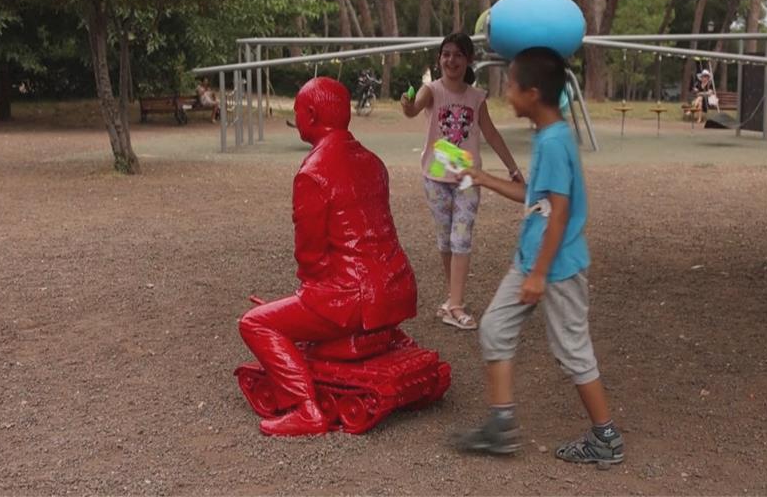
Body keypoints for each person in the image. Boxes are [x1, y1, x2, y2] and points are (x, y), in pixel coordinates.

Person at [453, 47, 624, 465]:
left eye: (510, 85)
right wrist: (483, 178)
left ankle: (606, 438)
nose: (507, 93)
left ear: (532, 93)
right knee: (494, 327)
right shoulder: (550, 134)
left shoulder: (553, 141)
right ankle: (500, 426)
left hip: (556, 266)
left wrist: (539, 275)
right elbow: (536, 199)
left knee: (572, 348)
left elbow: (560, 213)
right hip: (532, 260)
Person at [238, 77, 417, 436]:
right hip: (397, 287)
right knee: (299, 312)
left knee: (255, 322)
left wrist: (308, 298)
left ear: (312, 115)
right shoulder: (372, 161)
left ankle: (306, 409)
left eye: (298, 111)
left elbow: (311, 256)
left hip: (349, 298)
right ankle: (379, 340)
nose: (296, 118)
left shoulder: (313, 173)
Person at [399, 32, 523, 331]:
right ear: (440, 59)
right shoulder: (432, 90)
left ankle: (454, 304)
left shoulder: (476, 97)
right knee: (446, 241)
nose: (451, 60)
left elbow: (491, 133)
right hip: (436, 178)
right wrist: (407, 105)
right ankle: (453, 298)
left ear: (469, 60)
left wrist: (513, 168)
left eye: (457, 54)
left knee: (461, 239)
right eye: (446, 54)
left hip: (468, 178)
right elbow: (414, 108)